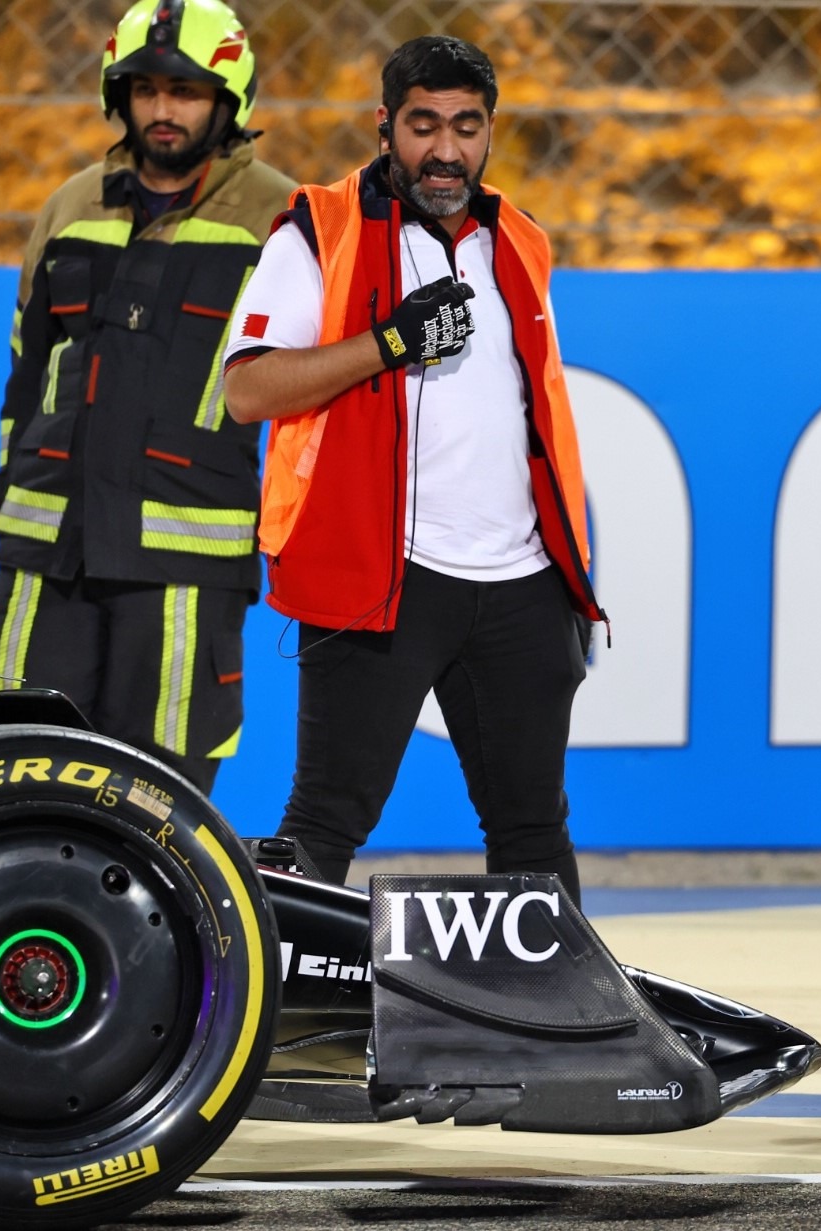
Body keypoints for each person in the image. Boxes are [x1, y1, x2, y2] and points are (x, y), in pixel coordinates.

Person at [221, 35, 604, 901]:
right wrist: (389, 342)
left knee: (533, 825)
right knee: (324, 819)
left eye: (467, 127)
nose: (446, 149)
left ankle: (558, 1030)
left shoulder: (520, 239)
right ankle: (256, 1022)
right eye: (424, 124)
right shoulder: (319, 228)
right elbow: (248, 392)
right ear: (385, 127)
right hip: (380, 575)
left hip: (522, 580)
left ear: (490, 132)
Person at [0, 0, 296, 794]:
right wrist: (11, 516)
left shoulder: (282, 219)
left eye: (185, 92)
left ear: (230, 100)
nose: (163, 110)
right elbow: (27, 374)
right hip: (48, 557)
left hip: (185, 566)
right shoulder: (70, 206)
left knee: (161, 801)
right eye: (145, 89)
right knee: (11, 778)